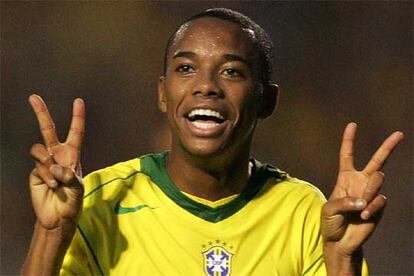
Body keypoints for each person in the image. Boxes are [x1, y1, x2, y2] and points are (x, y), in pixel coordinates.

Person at [21, 8, 403, 276]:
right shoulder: (101, 200)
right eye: (185, 69)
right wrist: (51, 233)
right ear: (162, 94)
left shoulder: (304, 211)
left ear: (266, 100)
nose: (206, 86)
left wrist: (341, 259)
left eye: (231, 71)